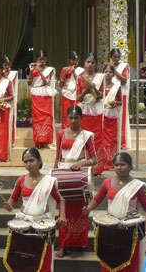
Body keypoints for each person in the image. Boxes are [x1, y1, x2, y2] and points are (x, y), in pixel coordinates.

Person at [83, 153, 146, 272]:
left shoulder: (137, 186)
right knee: (109, 262)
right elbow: (97, 199)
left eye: (122, 164)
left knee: (128, 265)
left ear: (130, 166)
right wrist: (88, 208)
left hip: (130, 230)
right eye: (116, 164)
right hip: (110, 229)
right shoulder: (107, 182)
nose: (119, 167)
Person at [4, 148, 66, 272]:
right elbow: (13, 199)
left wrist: (62, 215)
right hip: (23, 222)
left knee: (42, 260)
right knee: (23, 259)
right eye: (25, 162)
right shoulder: (21, 180)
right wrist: (9, 205)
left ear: (39, 161)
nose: (28, 164)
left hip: (42, 224)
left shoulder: (48, 181)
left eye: (31, 160)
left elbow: (61, 200)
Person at [54, 105, 97, 259]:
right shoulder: (60, 133)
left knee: (79, 211)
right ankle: (63, 246)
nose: (73, 121)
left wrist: (81, 164)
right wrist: (54, 174)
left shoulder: (87, 136)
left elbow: (94, 160)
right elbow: (58, 155)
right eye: (70, 118)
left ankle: (76, 246)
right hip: (63, 174)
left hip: (79, 176)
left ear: (81, 119)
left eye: (76, 118)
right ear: (67, 118)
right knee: (63, 210)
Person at [76, 53, 104, 175]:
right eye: (88, 62)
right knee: (83, 139)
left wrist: (94, 90)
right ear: (84, 63)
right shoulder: (80, 78)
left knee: (96, 138)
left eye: (92, 62)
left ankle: (96, 168)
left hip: (96, 111)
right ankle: (83, 168)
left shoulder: (100, 77)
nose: (90, 64)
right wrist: (86, 90)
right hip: (84, 111)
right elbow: (78, 97)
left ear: (95, 64)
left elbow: (101, 95)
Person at [28, 50, 56, 149]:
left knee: (46, 118)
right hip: (36, 95)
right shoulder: (33, 69)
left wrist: (39, 70)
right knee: (37, 119)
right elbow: (29, 82)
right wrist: (32, 71)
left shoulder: (50, 69)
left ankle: (46, 141)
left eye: (43, 59)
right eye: (40, 59)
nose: (42, 61)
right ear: (37, 59)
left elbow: (46, 82)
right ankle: (38, 141)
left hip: (45, 95)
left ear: (46, 59)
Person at [108, 49, 130, 149]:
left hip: (121, 94)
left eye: (118, 57)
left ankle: (122, 143)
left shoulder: (124, 66)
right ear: (111, 57)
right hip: (110, 94)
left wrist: (114, 70)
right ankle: (111, 140)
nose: (116, 59)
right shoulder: (108, 66)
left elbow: (124, 80)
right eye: (114, 57)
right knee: (110, 117)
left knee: (121, 118)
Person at [102, 65, 122, 170]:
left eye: (110, 72)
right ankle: (102, 161)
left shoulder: (116, 87)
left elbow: (120, 102)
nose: (108, 73)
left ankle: (111, 161)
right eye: (106, 71)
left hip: (112, 115)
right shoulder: (99, 86)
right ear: (103, 73)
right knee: (102, 139)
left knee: (112, 139)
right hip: (101, 116)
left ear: (113, 74)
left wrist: (115, 103)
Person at [59, 51, 84, 129]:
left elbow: (81, 83)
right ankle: (66, 133)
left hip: (77, 95)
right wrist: (64, 74)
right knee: (66, 114)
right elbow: (60, 85)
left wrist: (73, 72)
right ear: (69, 60)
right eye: (73, 59)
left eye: (76, 60)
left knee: (76, 112)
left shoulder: (81, 70)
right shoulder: (64, 69)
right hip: (67, 95)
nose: (74, 61)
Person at [1, 55, 18, 146]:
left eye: (8, 64)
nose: (7, 67)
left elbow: (13, 87)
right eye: (5, 65)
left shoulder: (13, 74)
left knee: (11, 119)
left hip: (10, 100)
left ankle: (11, 140)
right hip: (0, 100)